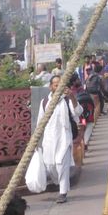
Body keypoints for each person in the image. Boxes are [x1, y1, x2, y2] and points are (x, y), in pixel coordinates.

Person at [38, 75, 82, 204]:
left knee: (61, 164)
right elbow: (40, 122)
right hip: (49, 139)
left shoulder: (67, 100)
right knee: (51, 165)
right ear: (51, 87)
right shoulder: (45, 102)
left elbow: (78, 112)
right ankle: (60, 183)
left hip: (64, 138)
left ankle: (63, 192)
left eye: (60, 84)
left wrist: (72, 97)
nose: (58, 86)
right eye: (55, 84)